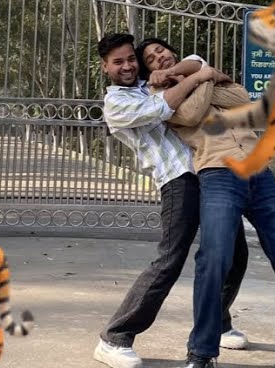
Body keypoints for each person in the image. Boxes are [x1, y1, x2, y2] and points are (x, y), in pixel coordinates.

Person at [137, 37, 275, 368]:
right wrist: (207, 75)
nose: (158, 57)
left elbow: (241, 98)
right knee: (214, 259)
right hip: (218, 175)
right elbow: (190, 114)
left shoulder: (188, 75)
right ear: (148, 71)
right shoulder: (158, 96)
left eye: (160, 50)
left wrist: (196, 77)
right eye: (150, 59)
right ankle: (202, 353)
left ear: (172, 52)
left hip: (260, 174)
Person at [92, 33, 248, 368]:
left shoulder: (153, 83)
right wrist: (200, 76)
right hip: (178, 180)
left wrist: (185, 72)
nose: (127, 66)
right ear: (105, 67)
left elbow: (196, 63)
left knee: (235, 255)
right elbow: (163, 107)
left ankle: (219, 323)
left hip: (209, 171)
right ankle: (115, 337)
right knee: (170, 260)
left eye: (130, 59)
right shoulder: (116, 103)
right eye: (118, 62)